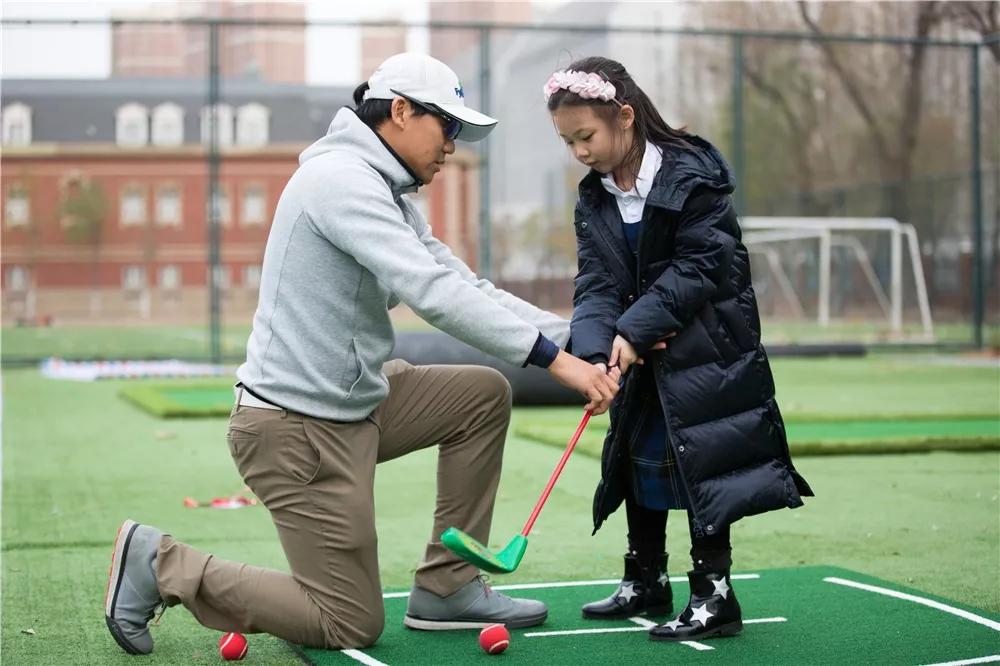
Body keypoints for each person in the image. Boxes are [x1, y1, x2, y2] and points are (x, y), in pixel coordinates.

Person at [104, 52, 621, 656]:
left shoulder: (386, 189)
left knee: (481, 396)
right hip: (294, 432)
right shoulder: (341, 181)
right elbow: (432, 295)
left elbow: (464, 284)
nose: (453, 145)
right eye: (447, 126)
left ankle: (448, 588)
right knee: (347, 622)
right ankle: (162, 564)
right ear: (400, 111)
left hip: (355, 404)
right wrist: (556, 364)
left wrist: (578, 339)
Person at [544, 57, 813, 642]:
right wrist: (595, 351)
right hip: (639, 347)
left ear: (624, 116)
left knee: (699, 465)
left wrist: (634, 330)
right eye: (568, 142)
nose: (579, 153)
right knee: (638, 457)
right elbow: (595, 283)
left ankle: (715, 595)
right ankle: (646, 579)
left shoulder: (693, 175)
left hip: (706, 350)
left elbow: (702, 266)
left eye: (585, 137)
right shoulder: (595, 198)